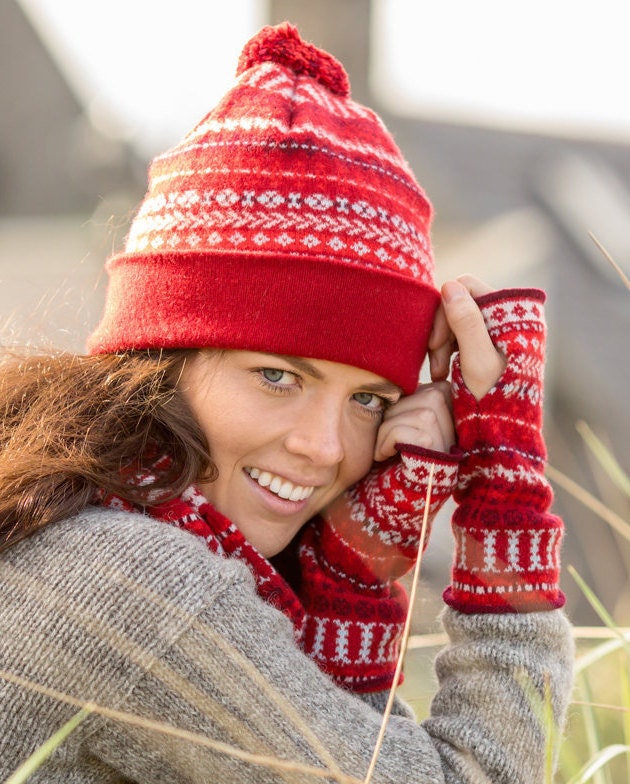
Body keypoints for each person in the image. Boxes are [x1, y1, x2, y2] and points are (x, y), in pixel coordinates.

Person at [0, 22, 573, 784]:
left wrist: (352, 566)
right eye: (278, 376)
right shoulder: (136, 579)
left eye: (370, 397)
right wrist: (504, 487)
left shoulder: (70, 510)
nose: (326, 448)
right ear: (160, 358)